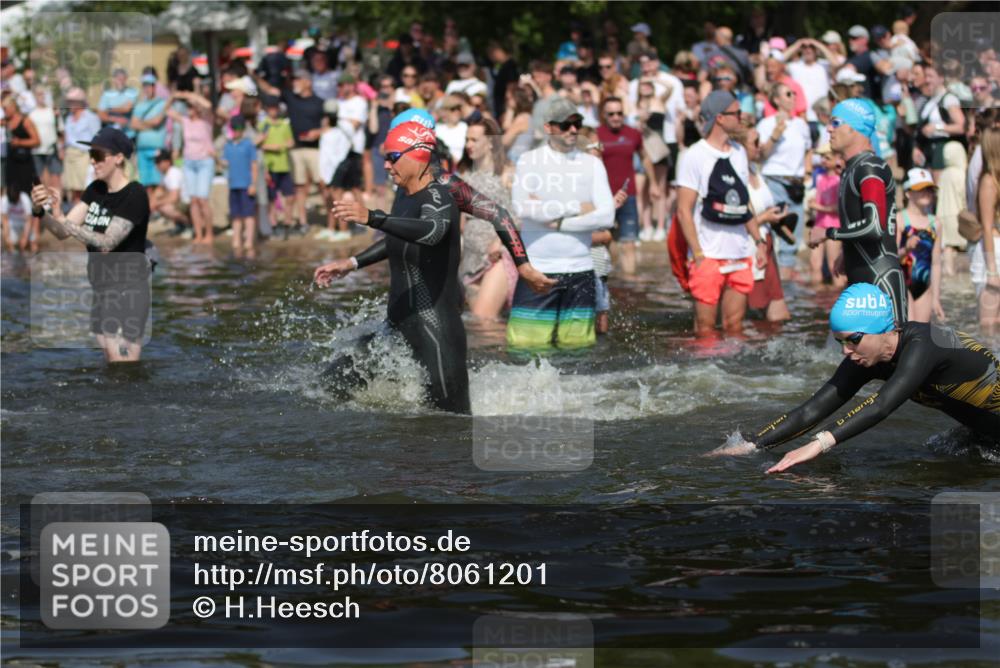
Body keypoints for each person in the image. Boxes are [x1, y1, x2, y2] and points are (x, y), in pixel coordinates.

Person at [715, 283, 999, 471]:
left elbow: (882, 404)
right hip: (984, 436)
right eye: (840, 342)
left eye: (852, 340)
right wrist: (751, 443)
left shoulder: (924, 346)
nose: (846, 351)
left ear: (882, 329)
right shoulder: (867, 356)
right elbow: (813, 409)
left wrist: (819, 444)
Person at [314, 121, 469, 414]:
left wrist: (373, 218)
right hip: (398, 324)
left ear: (418, 155)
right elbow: (399, 237)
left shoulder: (439, 197)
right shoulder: (407, 197)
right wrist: (352, 263)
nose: (385, 165)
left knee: (450, 422)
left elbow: (431, 232)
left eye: (392, 157)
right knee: (329, 387)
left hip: (434, 329)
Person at [30, 127, 151, 362]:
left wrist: (65, 219)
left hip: (129, 290)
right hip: (102, 288)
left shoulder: (135, 194)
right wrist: (40, 211)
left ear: (118, 158)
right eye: (91, 156)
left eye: (98, 156)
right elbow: (62, 232)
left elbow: (107, 242)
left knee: (123, 364)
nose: (93, 162)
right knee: (112, 362)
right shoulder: (94, 190)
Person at [508, 97, 614, 350]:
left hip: (581, 272)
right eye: (566, 125)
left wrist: (559, 223)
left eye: (577, 123)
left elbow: (606, 216)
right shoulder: (529, 161)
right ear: (548, 127)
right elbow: (522, 207)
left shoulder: (592, 164)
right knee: (524, 351)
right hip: (538, 271)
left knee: (578, 357)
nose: (574, 130)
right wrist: (576, 208)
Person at [674, 90, 768, 336]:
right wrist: (697, 253)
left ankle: (734, 374)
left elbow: (744, 203)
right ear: (720, 118)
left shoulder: (739, 153)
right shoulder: (695, 155)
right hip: (708, 253)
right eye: (736, 113)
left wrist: (759, 242)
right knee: (705, 329)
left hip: (739, 252)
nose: (742, 117)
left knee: (735, 327)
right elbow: (683, 210)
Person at [809, 98, 906, 325]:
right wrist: (849, 249)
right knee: (849, 355)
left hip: (880, 282)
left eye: (835, 123)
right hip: (860, 280)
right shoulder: (852, 169)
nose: (828, 129)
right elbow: (860, 221)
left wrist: (828, 233)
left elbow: (874, 227)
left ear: (854, 127)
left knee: (888, 358)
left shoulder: (870, 168)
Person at [457, 118, 518, 319]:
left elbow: (521, 213)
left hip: (498, 254)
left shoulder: (507, 172)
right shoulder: (465, 174)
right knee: (480, 325)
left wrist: (500, 241)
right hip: (470, 258)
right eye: (467, 140)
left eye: (474, 140)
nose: (468, 145)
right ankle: (499, 351)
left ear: (491, 142)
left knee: (483, 319)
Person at [254, 69, 324, 232]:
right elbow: (270, 90)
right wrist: (255, 76)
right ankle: (302, 221)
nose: (294, 83)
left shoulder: (319, 102)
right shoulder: (290, 97)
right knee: (299, 186)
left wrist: (317, 133)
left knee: (322, 185)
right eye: (294, 80)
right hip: (295, 150)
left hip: (315, 149)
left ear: (308, 82)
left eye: (298, 80)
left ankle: (333, 222)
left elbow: (327, 126)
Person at [598, 96, 659, 274]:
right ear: (604, 115)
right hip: (603, 197)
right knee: (604, 242)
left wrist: (654, 183)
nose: (616, 117)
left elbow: (645, 158)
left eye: (619, 113)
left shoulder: (633, 133)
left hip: (628, 195)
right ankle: (605, 283)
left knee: (629, 242)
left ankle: (629, 282)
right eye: (611, 114)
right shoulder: (596, 134)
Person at [758, 81, 813, 274]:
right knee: (777, 231)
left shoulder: (801, 124)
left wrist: (807, 173)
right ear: (776, 100)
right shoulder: (766, 124)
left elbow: (808, 150)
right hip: (775, 180)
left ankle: (788, 291)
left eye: (794, 94)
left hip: (796, 183)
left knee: (793, 238)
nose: (793, 98)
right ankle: (773, 281)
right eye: (788, 94)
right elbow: (761, 155)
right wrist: (776, 133)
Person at [741, 121, 791, 321]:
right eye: (755, 142)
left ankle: (776, 348)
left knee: (778, 313)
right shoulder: (737, 175)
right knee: (752, 310)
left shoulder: (755, 169)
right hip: (750, 247)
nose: (759, 146)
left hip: (767, 243)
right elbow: (738, 217)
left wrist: (776, 218)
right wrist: (765, 217)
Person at [167, 90, 215, 244]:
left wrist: (191, 96)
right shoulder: (185, 121)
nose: (189, 109)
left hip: (204, 162)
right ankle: (198, 234)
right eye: (188, 107)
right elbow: (167, 111)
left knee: (203, 199)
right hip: (189, 163)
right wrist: (173, 96)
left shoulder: (207, 120)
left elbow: (209, 105)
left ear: (197, 108)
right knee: (193, 200)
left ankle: (209, 233)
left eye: (191, 107)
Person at [897, 168, 944, 323]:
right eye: (921, 189)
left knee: (921, 335)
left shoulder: (935, 223)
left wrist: (936, 298)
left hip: (924, 288)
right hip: (902, 284)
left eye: (929, 189)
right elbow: (890, 258)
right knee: (908, 331)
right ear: (908, 193)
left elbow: (936, 263)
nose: (927, 193)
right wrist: (907, 249)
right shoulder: (900, 220)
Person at [971, 127, 1000, 335]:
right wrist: (992, 271)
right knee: (989, 323)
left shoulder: (993, 180)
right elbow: (987, 227)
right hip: (993, 253)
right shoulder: (989, 182)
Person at [807, 143, 846, 287]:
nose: (823, 160)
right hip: (819, 223)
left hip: (834, 225)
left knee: (833, 266)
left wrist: (818, 207)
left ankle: (839, 300)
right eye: (822, 157)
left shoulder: (839, 179)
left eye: (827, 157)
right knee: (814, 265)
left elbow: (840, 207)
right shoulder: (820, 177)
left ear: (837, 158)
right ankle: (817, 299)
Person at [221, 115, 258, 257]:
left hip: (246, 184)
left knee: (248, 214)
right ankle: (236, 239)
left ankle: (249, 241)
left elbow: (254, 165)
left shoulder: (248, 144)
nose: (237, 131)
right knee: (236, 215)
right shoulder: (228, 145)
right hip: (233, 185)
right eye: (235, 128)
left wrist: (253, 184)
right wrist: (214, 158)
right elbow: (225, 163)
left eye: (240, 128)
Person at [259, 97, 296, 237]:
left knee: (290, 197)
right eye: (271, 108)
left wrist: (281, 146)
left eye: (275, 108)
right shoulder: (263, 125)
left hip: (284, 166)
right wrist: (270, 147)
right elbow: (258, 144)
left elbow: (291, 142)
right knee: (272, 198)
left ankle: (287, 223)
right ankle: (273, 224)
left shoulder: (284, 124)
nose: (273, 111)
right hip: (270, 166)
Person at [62, 87, 101, 205]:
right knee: (73, 189)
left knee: (85, 187)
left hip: (84, 156)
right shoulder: (68, 118)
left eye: (72, 101)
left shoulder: (91, 117)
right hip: (70, 155)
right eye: (69, 102)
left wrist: (96, 158)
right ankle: (75, 218)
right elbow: (67, 137)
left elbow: (97, 139)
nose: (70, 104)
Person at [130, 73, 168, 192]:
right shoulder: (140, 105)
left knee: (158, 183)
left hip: (156, 149)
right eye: (145, 85)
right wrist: (149, 125)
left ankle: (156, 208)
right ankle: (149, 209)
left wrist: (141, 122)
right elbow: (133, 124)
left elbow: (157, 121)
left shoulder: (162, 103)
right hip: (142, 149)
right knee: (145, 184)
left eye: (150, 85)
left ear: (154, 87)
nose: (147, 88)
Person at [29, 85, 61, 195]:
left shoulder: (52, 111)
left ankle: (56, 201)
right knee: (41, 177)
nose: (41, 96)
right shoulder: (31, 114)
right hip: (37, 150)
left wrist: (61, 148)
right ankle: (45, 202)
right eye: (39, 94)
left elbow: (60, 130)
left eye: (43, 93)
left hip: (52, 148)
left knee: (55, 176)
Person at [150, 149, 188, 234]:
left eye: (159, 162)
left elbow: (174, 197)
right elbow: (159, 191)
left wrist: (156, 203)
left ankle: (189, 224)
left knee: (163, 207)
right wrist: (151, 202)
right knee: (160, 202)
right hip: (181, 202)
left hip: (186, 203)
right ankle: (180, 225)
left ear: (167, 162)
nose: (156, 165)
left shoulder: (173, 173)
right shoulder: (166, 173)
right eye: (155, 162)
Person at [97, 68, 138, 135]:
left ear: (126, 79)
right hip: (111, 134)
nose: (121, 81)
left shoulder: (132, 92)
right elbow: (101, 114)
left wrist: (109, 109)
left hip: (128, 134)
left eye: (123, 79)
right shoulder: (106, 94)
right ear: (114, 79)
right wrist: (114, 119)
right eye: (119, 79)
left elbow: (126, 109)